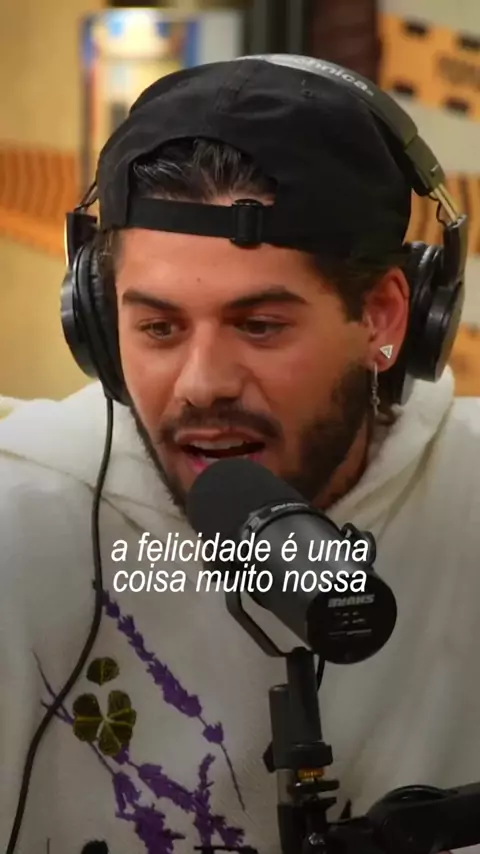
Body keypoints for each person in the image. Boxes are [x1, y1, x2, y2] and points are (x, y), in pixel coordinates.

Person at [1, 55, 480, 854]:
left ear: (385, 317)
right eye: (158, 328)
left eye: (260, 326)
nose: (202, 385)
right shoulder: (20, 522)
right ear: (98, 324)